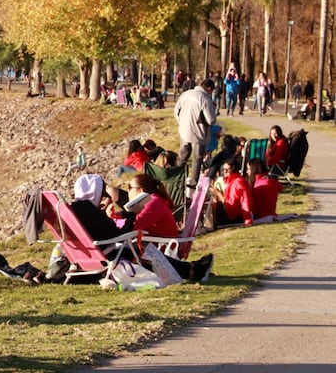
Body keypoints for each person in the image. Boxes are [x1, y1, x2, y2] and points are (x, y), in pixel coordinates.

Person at [70, 175, 213, 282]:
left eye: (130, 188)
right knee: (142, 250)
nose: (103, 197)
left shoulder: (74, 210)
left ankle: (192, 269)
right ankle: (192, 271)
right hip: (109, 256)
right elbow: (118, 233)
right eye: (102, 194)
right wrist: (130, 215)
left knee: (139, 249)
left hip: (89, 257)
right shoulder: (89, 210)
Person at [174, 78, 217, 196]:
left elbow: (176, 111)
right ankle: (193, 185)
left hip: (184, 130)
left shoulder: (185, 94)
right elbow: (211, 120)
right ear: (209, 88)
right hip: (198, 132)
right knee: (197, 158)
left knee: (182, 157)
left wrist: (181, 122)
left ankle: (176, 179)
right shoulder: (205, 99)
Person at [211, 161, 254, 227]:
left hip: (236, 218)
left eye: (227, 170)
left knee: (214, 205)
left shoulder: (237, 182)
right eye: (223, 169)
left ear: (233, 169)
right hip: (235, 215)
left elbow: (232, 206)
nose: (224, 172)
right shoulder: (231, 181)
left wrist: (218, 193)